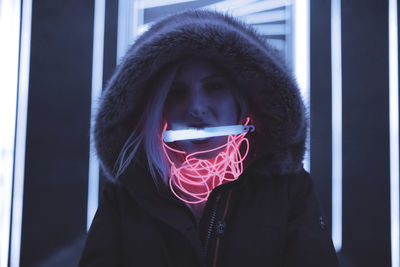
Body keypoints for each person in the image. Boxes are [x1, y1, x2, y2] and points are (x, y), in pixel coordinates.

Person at [79, 9, 338, 267]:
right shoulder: (127, 196)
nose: (196, 107)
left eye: (214, 86)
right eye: (177, 91)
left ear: (242, 99)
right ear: (158, 107)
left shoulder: (288, 191)